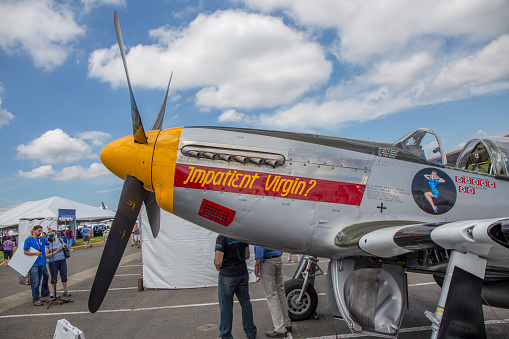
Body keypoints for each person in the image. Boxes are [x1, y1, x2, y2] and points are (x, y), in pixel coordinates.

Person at [214, 235, 257, 339]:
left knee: (226, 307)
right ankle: (251, 332)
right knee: (245, 303)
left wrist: (218, 267)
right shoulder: (241, 234)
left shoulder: (222, 237)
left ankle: (226, 335)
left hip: (228, 275)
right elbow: (246, 255)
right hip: (242, 272)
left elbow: (218, 261)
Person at [255, 247, 292, 337]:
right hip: (277, 258)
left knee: (271, 295)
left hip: (268, 261)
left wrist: (257, 264)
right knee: (280, 292)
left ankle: (279, 328)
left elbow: (260, 246)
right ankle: (287, 323)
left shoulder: (261, 232)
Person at [23, 225, 50, 306]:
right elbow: (25, 251)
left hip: (42, 262)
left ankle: (43, 293)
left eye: (41, 230)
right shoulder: (29, 240)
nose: (40, 232)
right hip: (34, 263)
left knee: (45, 276)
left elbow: (51, 240)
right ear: (34, 231)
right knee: (36, 281)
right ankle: (35, 299)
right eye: (38, 230)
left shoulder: (42, 239)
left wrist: (50, 232)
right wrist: (35, 253)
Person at [46, 233, 71, 297]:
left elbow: (65, 247)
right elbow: (46, 256)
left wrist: (65, 246)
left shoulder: (60, 240)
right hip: (53, 261)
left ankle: (65, 290)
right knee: (54, 276)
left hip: (62, 259)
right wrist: (56, 251)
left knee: (64, 274)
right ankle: (55, 292)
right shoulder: (48, 243)